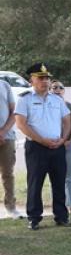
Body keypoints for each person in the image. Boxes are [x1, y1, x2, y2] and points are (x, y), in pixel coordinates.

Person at [14, 63, 71, 229]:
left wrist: (63, 138)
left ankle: (61, 217)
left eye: (47, 78)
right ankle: (34, 218)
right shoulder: (25, 99)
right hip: (37, 148)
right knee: (35, 183)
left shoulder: (56, 99)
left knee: (59, 182)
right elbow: (21, 124)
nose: (45, 81)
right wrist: (42, 140)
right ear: (31, 80)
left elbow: (67, 120)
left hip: (57, 146)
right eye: (40, 78)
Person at [50, 81, 71, 214]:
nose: (58, 89)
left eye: (61, 87)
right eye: (54, 87)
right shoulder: (48, 105)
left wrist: (70, 140)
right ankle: (58, 205)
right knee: (56, 177)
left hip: (69, 145)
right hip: (52, 145)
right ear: (50, 90)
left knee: (70, 176)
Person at [0, 74, 19, 218]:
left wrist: (3, 131)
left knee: (8, 173)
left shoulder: (4, 85)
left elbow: (14, 112)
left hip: (7, 136)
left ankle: (11, 207)